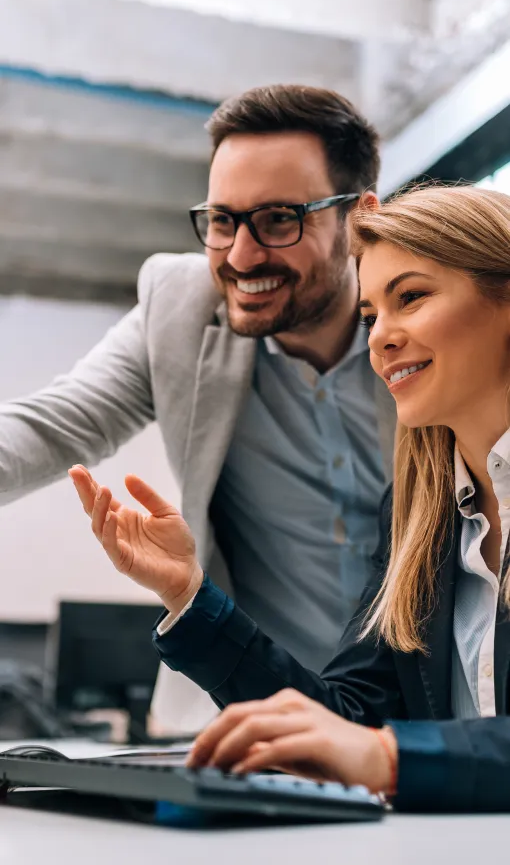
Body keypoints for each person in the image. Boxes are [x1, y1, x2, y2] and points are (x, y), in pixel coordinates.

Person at [70, 184, 510, 811]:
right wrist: (189, 596)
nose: (380, 339)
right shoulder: (418, 516)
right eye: (371, 316)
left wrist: (390, 759)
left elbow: (375, 749)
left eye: (411, 297)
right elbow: (346, 723)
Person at [0, 84, 396, 729]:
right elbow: (51, 426)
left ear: (360, 217)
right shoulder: (180, 309)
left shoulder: (428, 321)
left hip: (427, 711)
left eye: (279, 219)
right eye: (221, 220)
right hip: (251, 709)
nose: (240, 255)